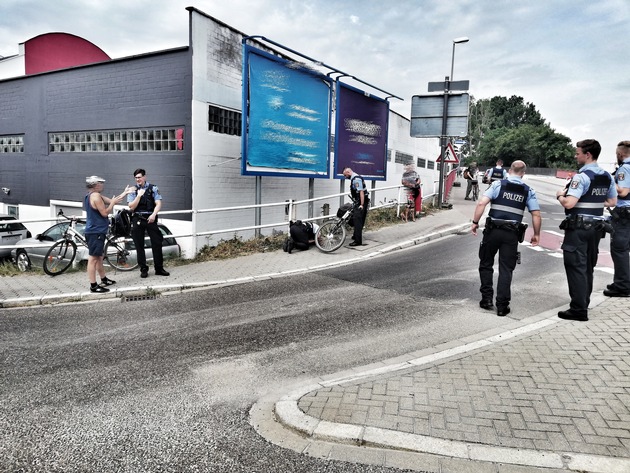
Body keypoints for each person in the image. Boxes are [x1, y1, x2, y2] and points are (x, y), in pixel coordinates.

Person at [556, 139, 617, 321]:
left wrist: (560, 195)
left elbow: (569, 202)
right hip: (596, 228)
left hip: (579, 228)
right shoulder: (607, 176)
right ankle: (584, 302)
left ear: (587, 154)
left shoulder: (581, 177)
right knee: (587, 266)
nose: (576, 156)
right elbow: (612, 202)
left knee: (575, 265)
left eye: (578, 153)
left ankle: (578, 309)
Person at [471, 160, 541, 317]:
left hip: (492, 231)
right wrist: (536, 234)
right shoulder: (528, 190)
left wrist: (475, 223)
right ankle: (502, 306)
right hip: (511, 234)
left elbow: (482, 203)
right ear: (523, 173)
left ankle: (487, 299)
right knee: (506, 269)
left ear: (509, 170)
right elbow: (536, 214)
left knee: (486, 263)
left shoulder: (497, 185)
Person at [84, 176, 132, 293]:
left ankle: (104, 279)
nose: (103, 185)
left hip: (96, 231)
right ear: (96, 185)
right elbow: (105, 213)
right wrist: (113, 205)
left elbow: (113, 200)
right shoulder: (96, 196)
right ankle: (93, 286)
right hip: (96, 231)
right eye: (101, 183)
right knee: (93, 259)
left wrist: (125, 193)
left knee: (99, 257)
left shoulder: (91, 195)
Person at [127, 168, 170, 278]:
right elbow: (131, 206)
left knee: (157, 242)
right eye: (136, 178)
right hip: (138, 219)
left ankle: (159, 268)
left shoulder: (153, 188)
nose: (138, 179)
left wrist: (153, 214)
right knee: (139, 245)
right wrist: (139, 195)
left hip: (151, 217)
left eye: (139, 177)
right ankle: (143, 269)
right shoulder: (133, 190)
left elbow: (158, 203)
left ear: (144, 177)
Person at [606, 140, 630, 297]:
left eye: (617, 154)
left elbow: (623, 192)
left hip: (624, 213)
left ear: (620, 154)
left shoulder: (625, 169)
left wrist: (609, 180)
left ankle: (622, 286)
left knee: (619, 249)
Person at [343, 167, 369, 247]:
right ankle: (355, 235)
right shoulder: (356, 177)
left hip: (361, 201)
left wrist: (361, 204)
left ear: (348, 172)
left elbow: (361, 192)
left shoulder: (356, 179)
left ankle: (358, 241)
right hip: (362, 200)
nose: (345, 177)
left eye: (345, 175)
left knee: (357, 220)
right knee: (359, 219)